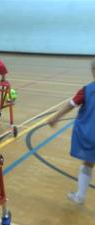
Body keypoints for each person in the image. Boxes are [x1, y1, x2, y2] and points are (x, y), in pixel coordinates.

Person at [48, 60, 95, 204]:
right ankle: (79, 196)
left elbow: (71, 104)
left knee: (88, 163)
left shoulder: (87, 90)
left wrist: (56, 117)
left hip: (90, 134)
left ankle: (80, 196)